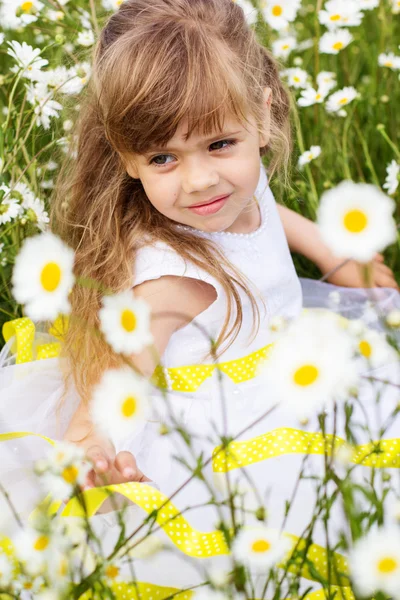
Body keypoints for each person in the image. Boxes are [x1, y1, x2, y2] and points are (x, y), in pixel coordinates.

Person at [0, 0, 399, 597]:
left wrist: (335, 254)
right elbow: (111, 389)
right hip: (225, 422)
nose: (200, 180)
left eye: (218, 145)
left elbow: (272, 212)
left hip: (292, 350)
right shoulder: (169, 278)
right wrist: (94, 455)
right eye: (163, 157)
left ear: (261, 117)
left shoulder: (242, 177)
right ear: (126, 157)